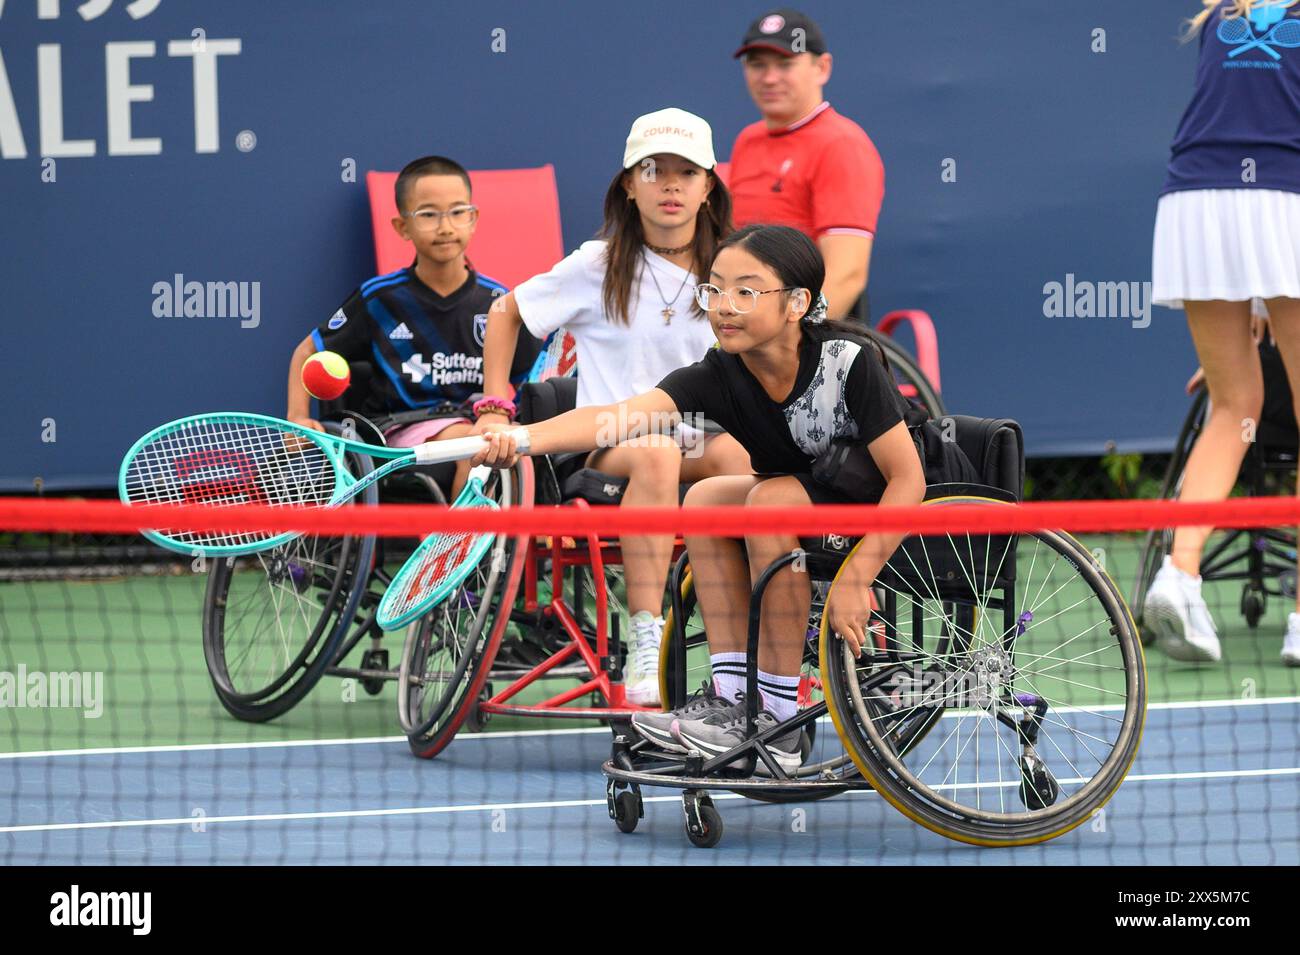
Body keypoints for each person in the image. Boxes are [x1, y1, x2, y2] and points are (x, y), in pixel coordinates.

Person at [473, 224, 926, 771]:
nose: (723, 307)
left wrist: (857, 578)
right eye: (713, 290)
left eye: (746, 291)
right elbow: (615, 419)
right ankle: (735, 701)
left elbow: (908, 481)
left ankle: (780, 721)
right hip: (810, 503)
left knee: (769, 499)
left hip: (891, 510)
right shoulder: (722, 373)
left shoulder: (848, 361)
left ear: (797, 303)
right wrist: (519, 439)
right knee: (708, 499)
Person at [477, 109, 754, 705]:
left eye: (688, 172)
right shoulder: (595, 265)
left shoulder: (736, 269)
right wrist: (495, 405)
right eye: (654, 171)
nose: (671, 185)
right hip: (609, 445)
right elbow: (505, 313)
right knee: (654, 450)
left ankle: (746, 649)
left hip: (700, 441)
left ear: (710, 187)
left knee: (746, 462)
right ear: (629, 184)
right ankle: (647, 639)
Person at [1147, 0, 1300, 667]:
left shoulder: (1218, 18)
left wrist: (1267, 288)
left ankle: (1179, 575)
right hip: (1286, 196)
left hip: (1195, 201)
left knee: (1235, 407)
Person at [286, 155, 541, 497]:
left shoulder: (498, 302)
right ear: (402, 227)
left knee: (498, 445)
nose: (446, 226)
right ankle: (456, 550)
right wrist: (298, 419)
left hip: (476, 427)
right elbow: (307, 352)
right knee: (479, 445)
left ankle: (480, 547)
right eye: (428, 215)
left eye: (457, 212)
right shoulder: (380, 298)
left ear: (473, 219)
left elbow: (531, 379)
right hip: (399, 434)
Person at [726, 8, 885, 322]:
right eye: (758, 64)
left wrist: (791, 341)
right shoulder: (747, 140)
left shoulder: (842, 144)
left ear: (822, 68)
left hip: (801, 339)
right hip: (746, 323)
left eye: (785, 64)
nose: (769, 78)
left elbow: (847, 274)